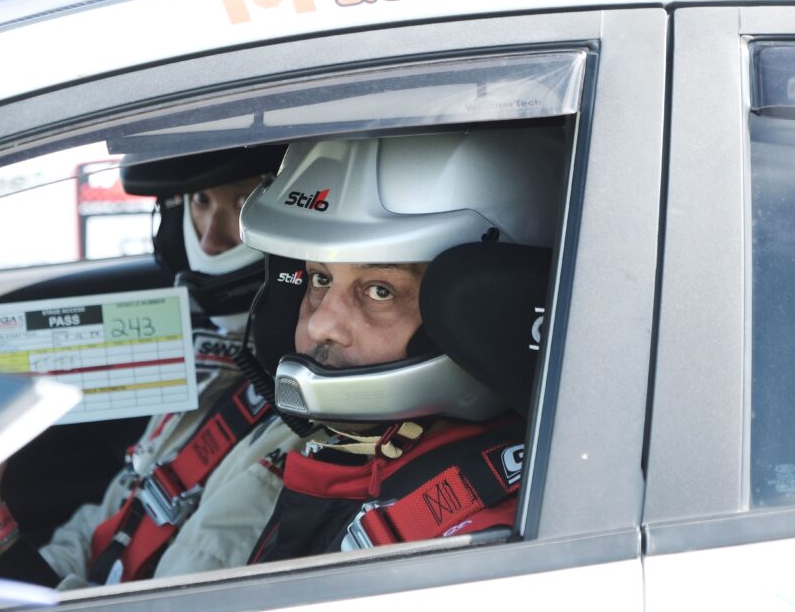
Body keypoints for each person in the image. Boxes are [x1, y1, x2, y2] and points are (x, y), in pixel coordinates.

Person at [153, 125, 564, 573]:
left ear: (488, 308)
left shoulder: (487, 548)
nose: (320, 324)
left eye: (379, 290)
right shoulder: (344, 452)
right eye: (320, 279)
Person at [0, 145, 313, 588]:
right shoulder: (214, 368)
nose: (210, 239)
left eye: (243, 202)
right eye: (202, 201)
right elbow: (107, 525)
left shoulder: (298, 431)